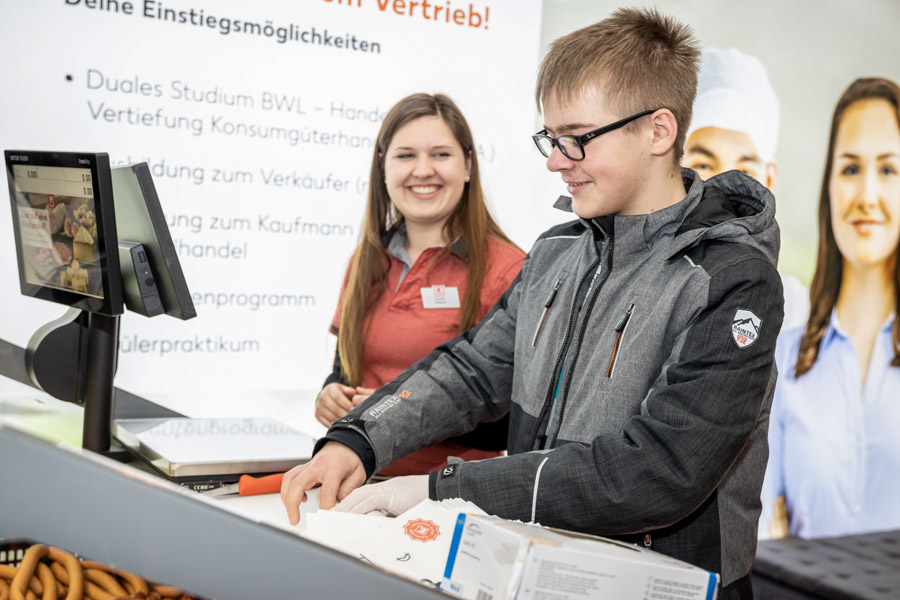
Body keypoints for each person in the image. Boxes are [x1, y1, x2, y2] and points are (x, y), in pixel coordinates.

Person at [284, 9, 784, 598]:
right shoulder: (557, 252)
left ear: (658, 131)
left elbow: (657, 470)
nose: (555, 160)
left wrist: (440, 489)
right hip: (534, 570)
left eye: (577, 139)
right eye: (551, 138)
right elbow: (472, 371)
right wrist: (359, 438)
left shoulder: (732, 280)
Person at [315, 92, 525, 476]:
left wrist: (395, 414)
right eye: (406, 155)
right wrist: (331, 394)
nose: (423, 170)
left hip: (450, 494)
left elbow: (514, 422)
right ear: (383, 166)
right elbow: (347, 369)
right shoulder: (365, 261)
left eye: (441, 154)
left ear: (468, 165)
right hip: (361, 483)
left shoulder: (510, 271)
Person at [760, 78, 900, 540]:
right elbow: (767, 537)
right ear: (829, 189)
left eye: (888, 169)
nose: (867, 196)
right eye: (851, 168)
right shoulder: (783, 362)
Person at [683, 46, 808, 331]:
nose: (725, 191)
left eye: (745, 173)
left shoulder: (797, 318)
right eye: (704, 165)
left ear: (769, 180)